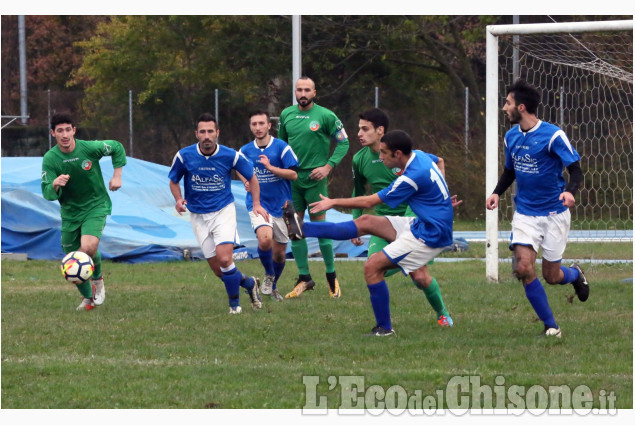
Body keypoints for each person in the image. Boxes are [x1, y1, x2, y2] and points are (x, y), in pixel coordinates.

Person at [285, 129, 454, 336]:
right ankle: (302, 228)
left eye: (384, 153)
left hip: (430, 236)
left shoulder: (410, 177)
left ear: (398, 154)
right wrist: (441, 201)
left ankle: (384, 329)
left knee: (373, 267)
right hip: (422, 224)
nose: (380, 157)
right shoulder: (419, 155)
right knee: (365, 221)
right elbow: (439, 161)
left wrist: (333, 202)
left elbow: (369, 201)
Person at [485, 79, 589, 338]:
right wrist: (497, 192)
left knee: (552, 276)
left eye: (507, 103)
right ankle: (551, 326)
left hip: (554, 214)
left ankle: (575, 275)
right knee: (522, 268)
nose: (504, 108)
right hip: (525, 215)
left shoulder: (553, 135)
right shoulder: (511, 137)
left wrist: (570, 191)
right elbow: (510, 171)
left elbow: (575, 170)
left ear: (521, 107)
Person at [351, 108, 453, 326]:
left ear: (380, 131)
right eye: (358, 128)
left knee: (420, 277)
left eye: (365, 129)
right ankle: (384, 323)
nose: (359, 133)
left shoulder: (403, 155)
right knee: (373, 266)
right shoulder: (359, 159)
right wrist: (355, 221)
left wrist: (439, 199)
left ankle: (442, 313)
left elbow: (439, 161)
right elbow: (360, 191)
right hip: (383, 221)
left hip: (413, 219)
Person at [169, 113, 266, 314]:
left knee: (224, 259)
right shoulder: (184, 156)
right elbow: (173, 180)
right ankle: (249, 284)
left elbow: (252, 178)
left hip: (223, 211)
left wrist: (256, 204)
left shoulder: (230, 155)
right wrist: (178, 199)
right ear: (196, 134)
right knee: (218, 269)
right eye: (202, 131)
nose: (206, 136)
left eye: (210, 131)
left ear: (217, 133)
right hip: (197, 215)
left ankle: (234, 307)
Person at [41, 113, 126, 311]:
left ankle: (97, 280)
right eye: (59, 130)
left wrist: (117, 176)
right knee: (71, 259)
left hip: (95, 205)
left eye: (68, 130)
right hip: (70, 213)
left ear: (74, 131)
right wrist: (54, 184)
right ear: (53, 133)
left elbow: (116, 147)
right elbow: (46, 192)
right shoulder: (50, 159)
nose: (64, 134)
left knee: (86, 248)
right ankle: (88, 299)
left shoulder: (89, 148)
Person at [277, 76, 350, 299]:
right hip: (293, 181)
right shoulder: (286, 114)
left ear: (314, 93)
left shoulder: (326, 116)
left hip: (316, 180)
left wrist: (328, 166)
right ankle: (304, 278)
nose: (303, 93)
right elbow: (281, 147)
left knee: (321, 229)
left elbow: (344, 142)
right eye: (299, 89)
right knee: (294, 228)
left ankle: (331, 277)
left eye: (307, 90)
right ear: (295, 92)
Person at [237, 110, 299, 301]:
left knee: (280, 254)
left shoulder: (282, 147)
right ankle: (269, 275)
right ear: (250, 127)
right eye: (254, 124)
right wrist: (245, 180)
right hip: (258, 204)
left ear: (269, 125)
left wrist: (271, 168)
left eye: (261, 123)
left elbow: (294, 174)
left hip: (282, 206)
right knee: (265, 240)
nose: (258, 128)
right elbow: (236, 167)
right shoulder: (245, 151)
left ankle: (272, 285)